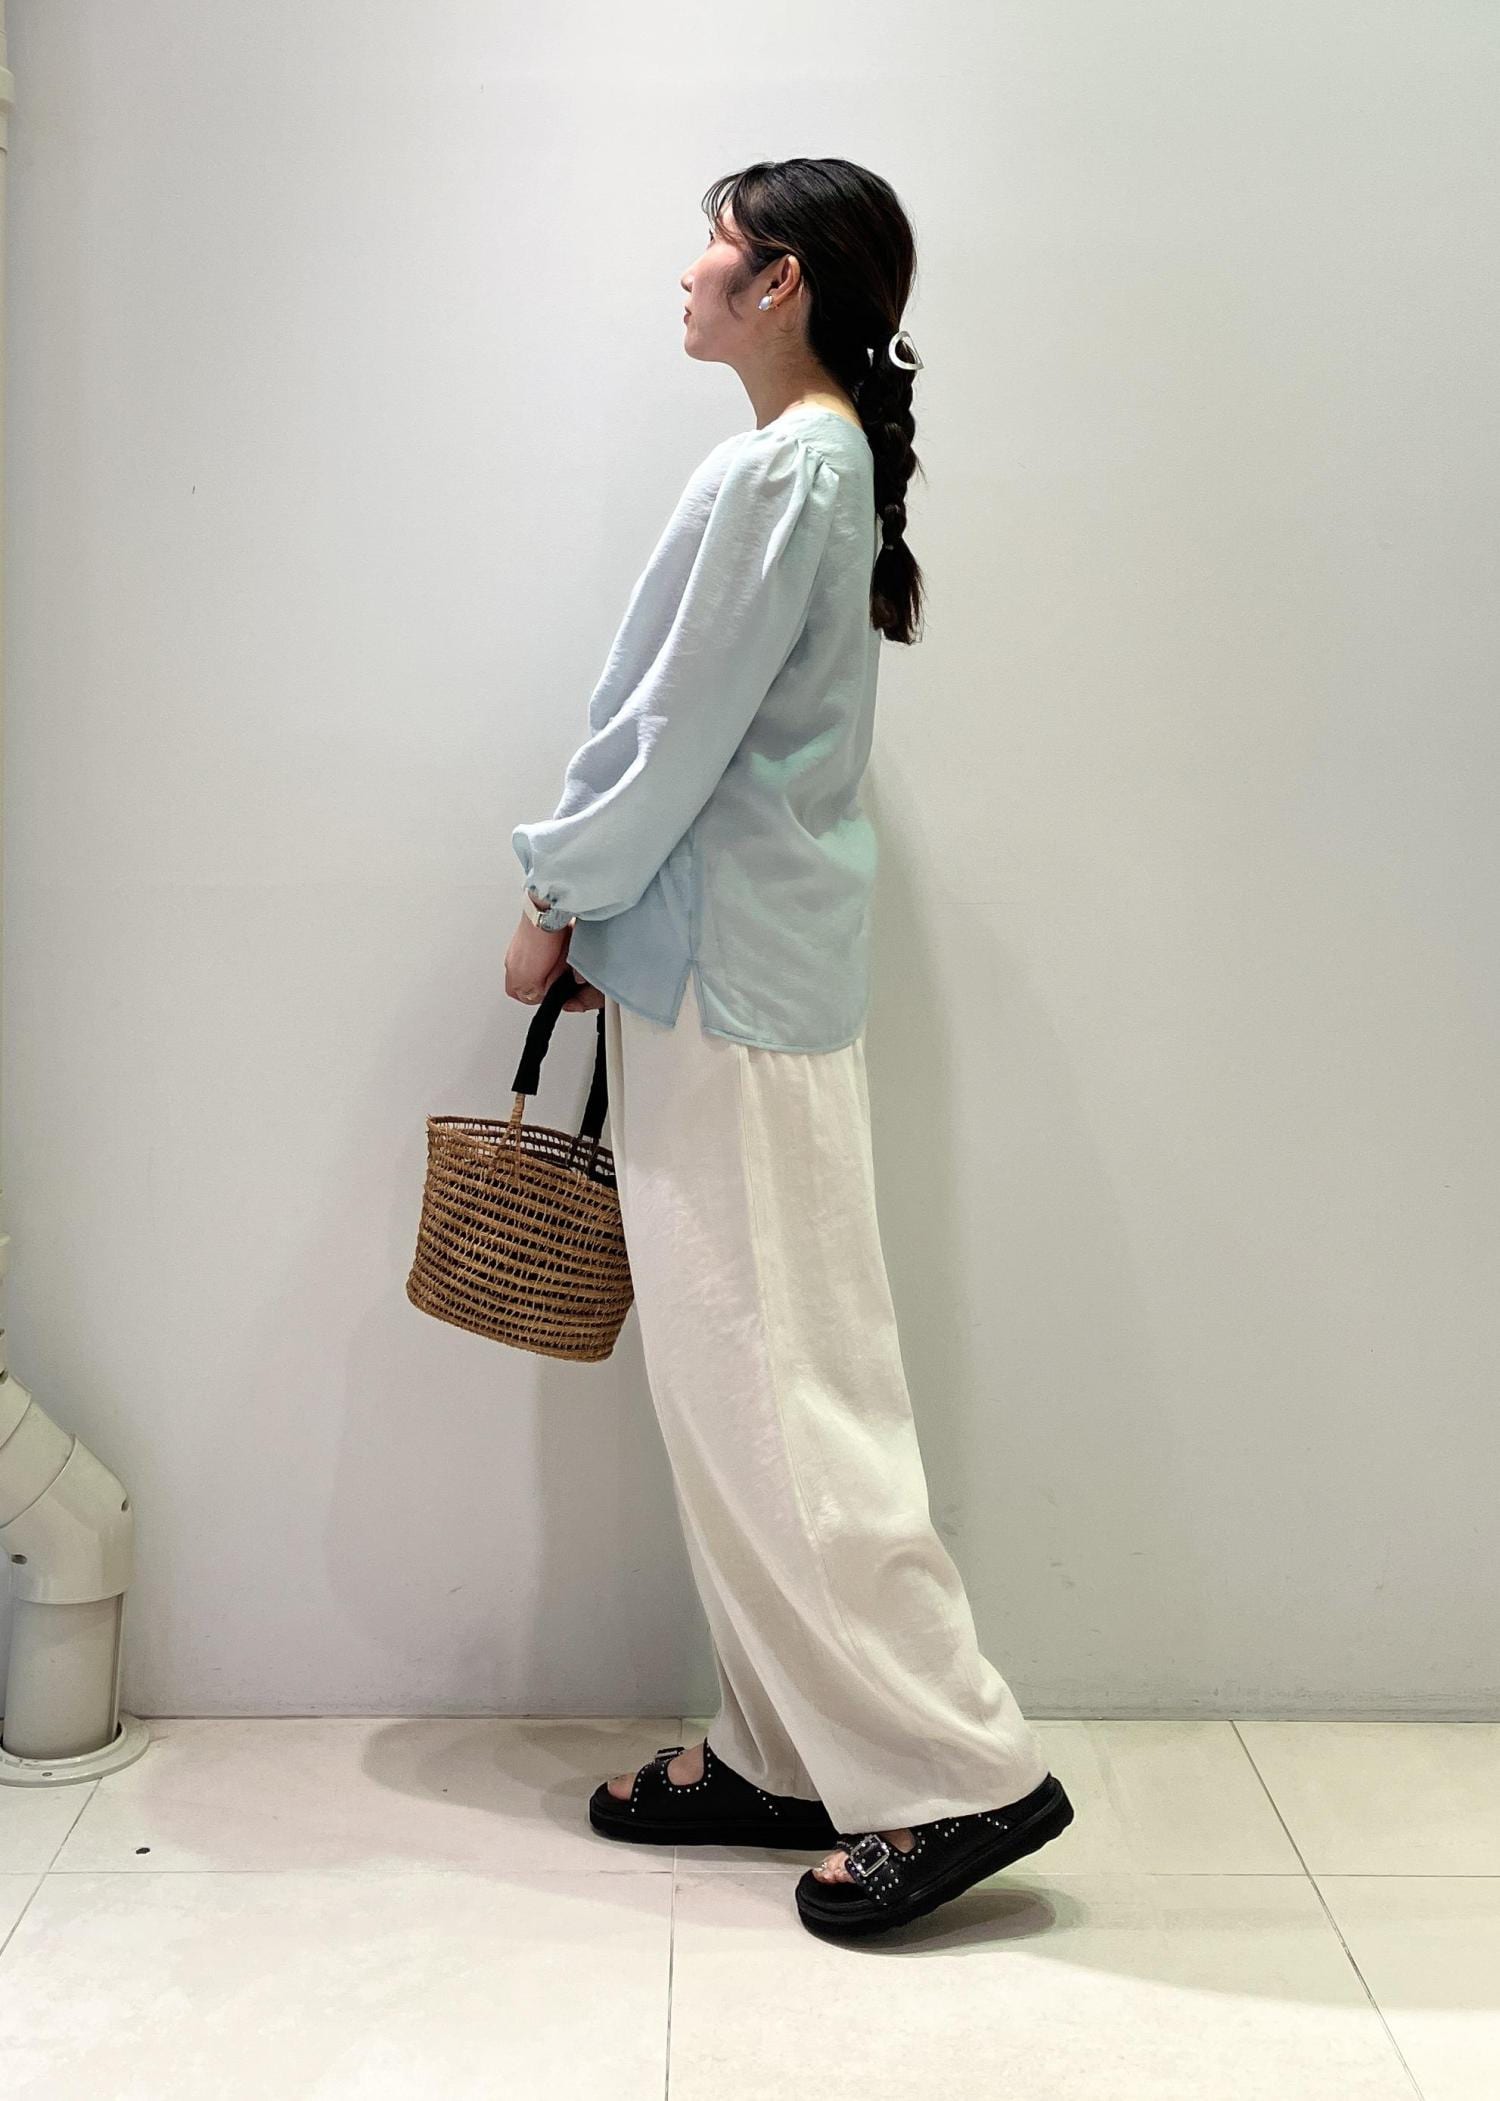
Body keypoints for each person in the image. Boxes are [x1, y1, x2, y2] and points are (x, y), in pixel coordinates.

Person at [504, 158, 1073, 1939]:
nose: (688, 271)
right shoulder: (807, 464)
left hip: (736, 997)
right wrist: (620, 928)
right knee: (736, 1393)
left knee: (784, 1398)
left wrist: (559, 895)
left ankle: (957, 1767)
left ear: (784, 285)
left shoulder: (786, 469)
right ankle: (786, 1747)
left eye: (717, 244)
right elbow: (722, 746)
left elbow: (673, 731)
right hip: (727, 979)